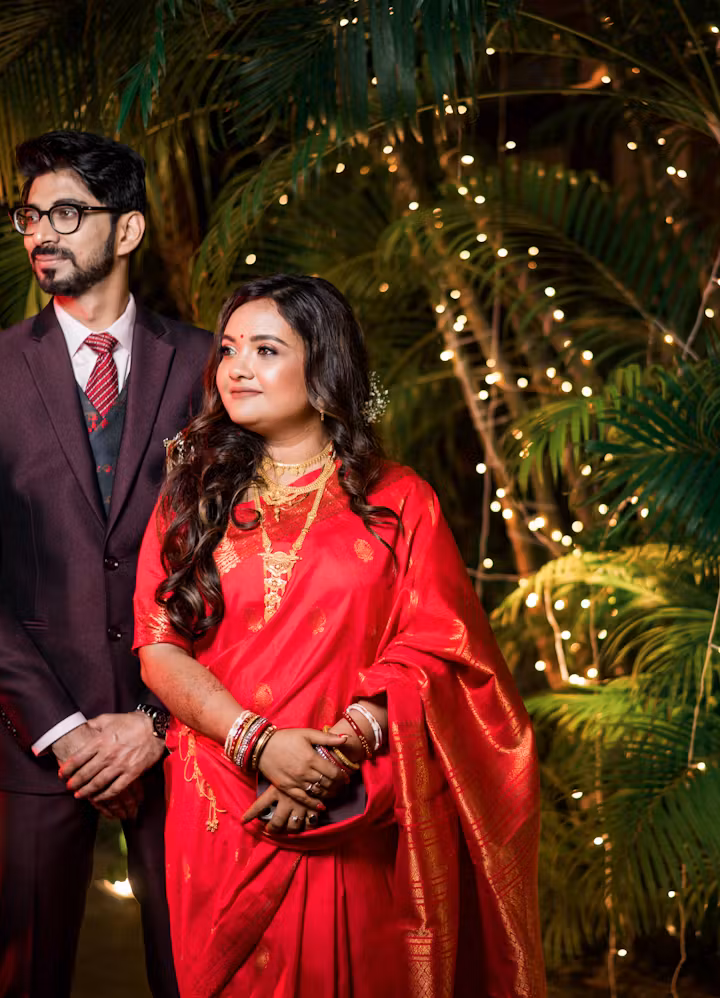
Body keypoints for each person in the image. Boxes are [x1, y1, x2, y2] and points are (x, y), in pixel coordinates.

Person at [133, 274, 545, 997]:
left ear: (324, 370)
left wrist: (332, 756)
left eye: (265, 349)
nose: (236, 366)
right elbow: (159, 645)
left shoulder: (398, 499)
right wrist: (259, 745)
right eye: (229, 348)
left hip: (350, 800)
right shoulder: (189, 495)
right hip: (222, 806)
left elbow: (441, 649)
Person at [0, 130, 210, 998]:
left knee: (194, 972)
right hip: (35, 741)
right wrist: (66, 732)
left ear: (126, 231)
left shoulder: (205, 365)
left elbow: (234, 552)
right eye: (29, 215)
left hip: (181, 734)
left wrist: (155, 723)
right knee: (28, 979)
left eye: (64, 213)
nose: (39, 233)